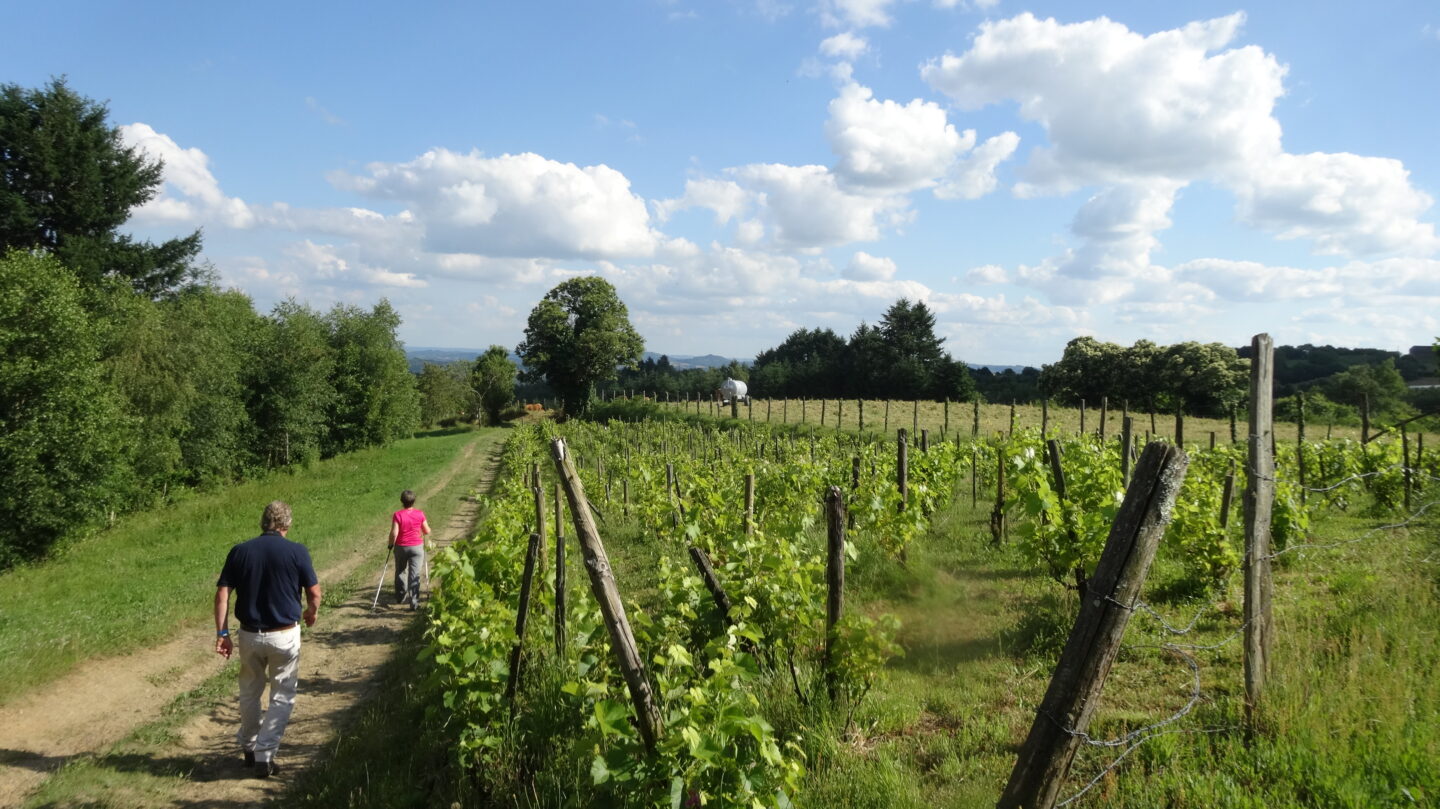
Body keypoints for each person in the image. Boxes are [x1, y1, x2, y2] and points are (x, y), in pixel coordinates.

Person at [214, 501, 321, 778]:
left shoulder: (240, 551)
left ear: (264, 522)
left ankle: (249, 747)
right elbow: (314, 592)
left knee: (249, 691)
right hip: (284, 634)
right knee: (282, 695)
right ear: (287, 524)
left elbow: (223, 594)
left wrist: (222, 633)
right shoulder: (297, 551)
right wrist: (311, 612)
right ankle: (264, 754)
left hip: (249, 633)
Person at [389, 489, 431, 610]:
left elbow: (394, 533)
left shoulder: (398, 515)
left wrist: (390, 544)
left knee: (401, 571)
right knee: (414, 574)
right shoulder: (420, 514)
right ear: (414, 501)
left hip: (401, 547)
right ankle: (414, 603)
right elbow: (427, 531)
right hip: (417, 547)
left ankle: (401, 596)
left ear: (402, 501)